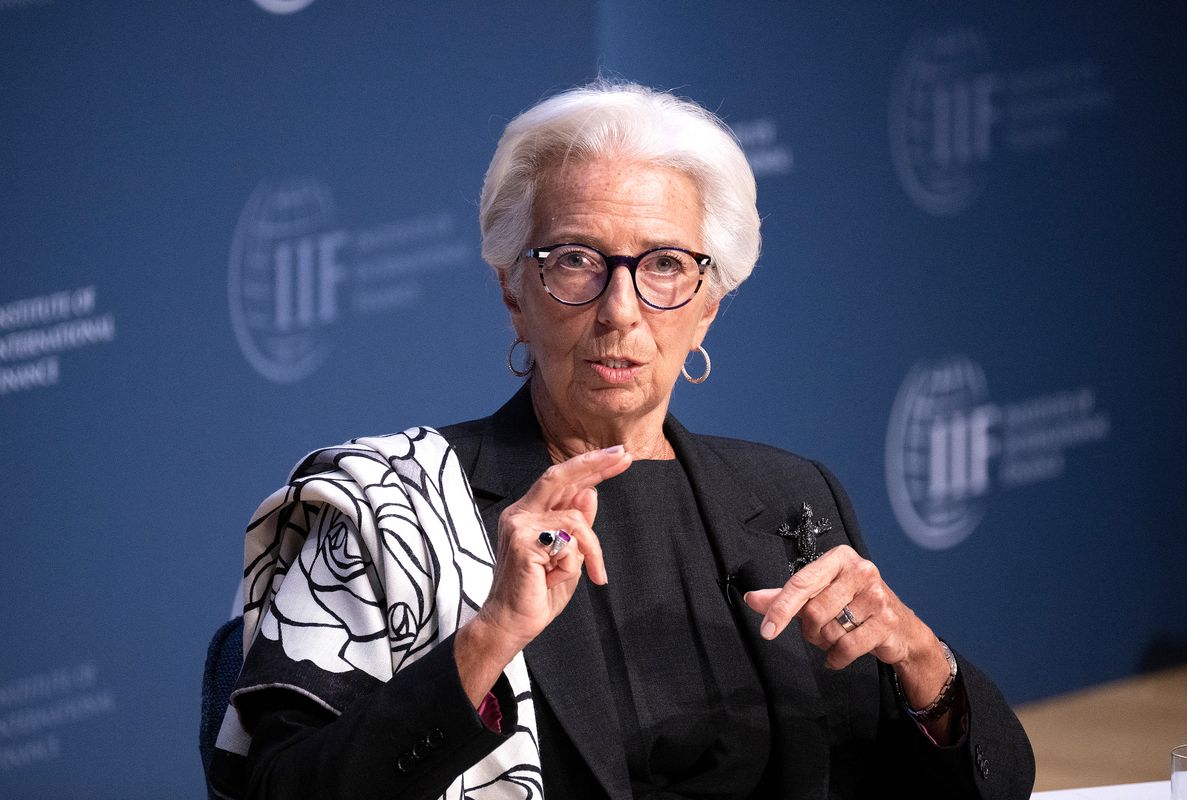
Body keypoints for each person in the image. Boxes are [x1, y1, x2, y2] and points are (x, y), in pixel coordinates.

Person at [209, 80, 1034, 800]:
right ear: (513, 292)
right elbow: (282, 787)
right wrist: (490, 633)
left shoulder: (792, 500)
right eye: (575, 261)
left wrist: (926, 669)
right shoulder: (386, 511)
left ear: (710, 302)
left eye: (666, 265)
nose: (621, 310)